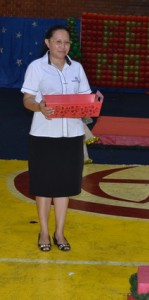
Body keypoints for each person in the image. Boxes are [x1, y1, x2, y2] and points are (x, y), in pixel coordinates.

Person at [21, 24, 92, 252]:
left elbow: (85, 99)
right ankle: (43, 231)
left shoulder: (77, 68)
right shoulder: (36, 67)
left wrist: (89, 107)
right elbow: (27, 100)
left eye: (67, 42)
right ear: (48, 43)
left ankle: (59, 232)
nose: (63, 46)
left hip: (72, 136)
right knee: (44, 186)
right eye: (58, 42)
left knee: (64, 187)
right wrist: (40, 107)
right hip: (43, 136)